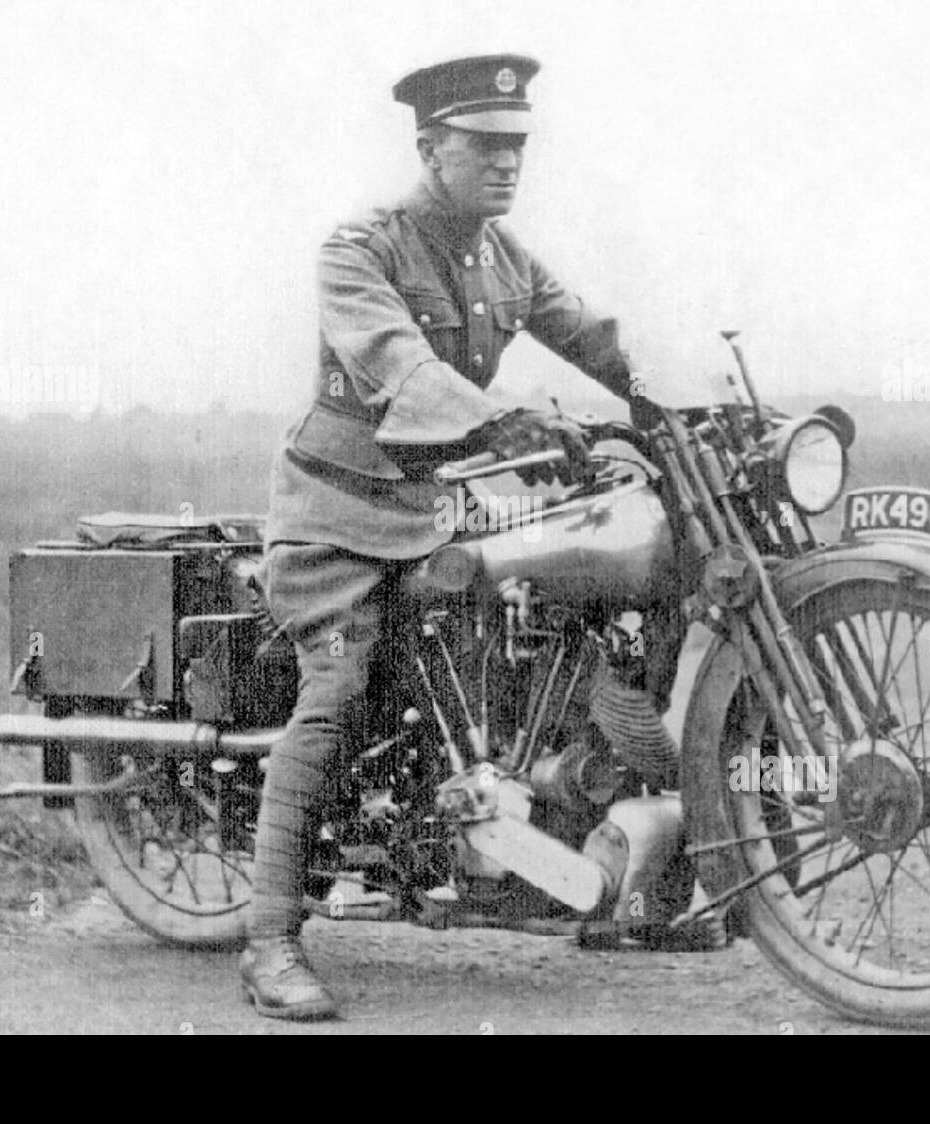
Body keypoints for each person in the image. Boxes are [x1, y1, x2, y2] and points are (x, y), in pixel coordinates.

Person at [241, 53, 645, 1020]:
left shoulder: (500, 255)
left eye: (517, 147)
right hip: (336, 519)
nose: (508, 164)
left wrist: (660, 404)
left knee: (546, 627)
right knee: (339, 690)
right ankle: (268, 942)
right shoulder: (361, 248)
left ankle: (551, 848)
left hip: (435, 516)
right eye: (486, 146)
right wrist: (498, 420)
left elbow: (588, 332)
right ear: (431, 146)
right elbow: (397, 365)